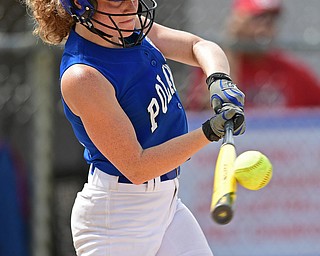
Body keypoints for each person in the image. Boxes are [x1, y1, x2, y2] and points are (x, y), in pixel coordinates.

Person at [25, 0, 245, 255]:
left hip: (167, 204)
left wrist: (219, 79)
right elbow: (138, 167)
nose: (131, 7)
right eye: (117, 0)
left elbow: (199, 46)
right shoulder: (83, 76)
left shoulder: (131, 28)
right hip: (117, 221)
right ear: (81, 5)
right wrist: (210, 131)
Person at [186, 0, 320, 111]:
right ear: (238, 21)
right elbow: (206, 111)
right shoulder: (214, 64)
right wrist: (233, 45)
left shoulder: (291, 70)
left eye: (271, 20)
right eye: (258, 18)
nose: (265, 27)